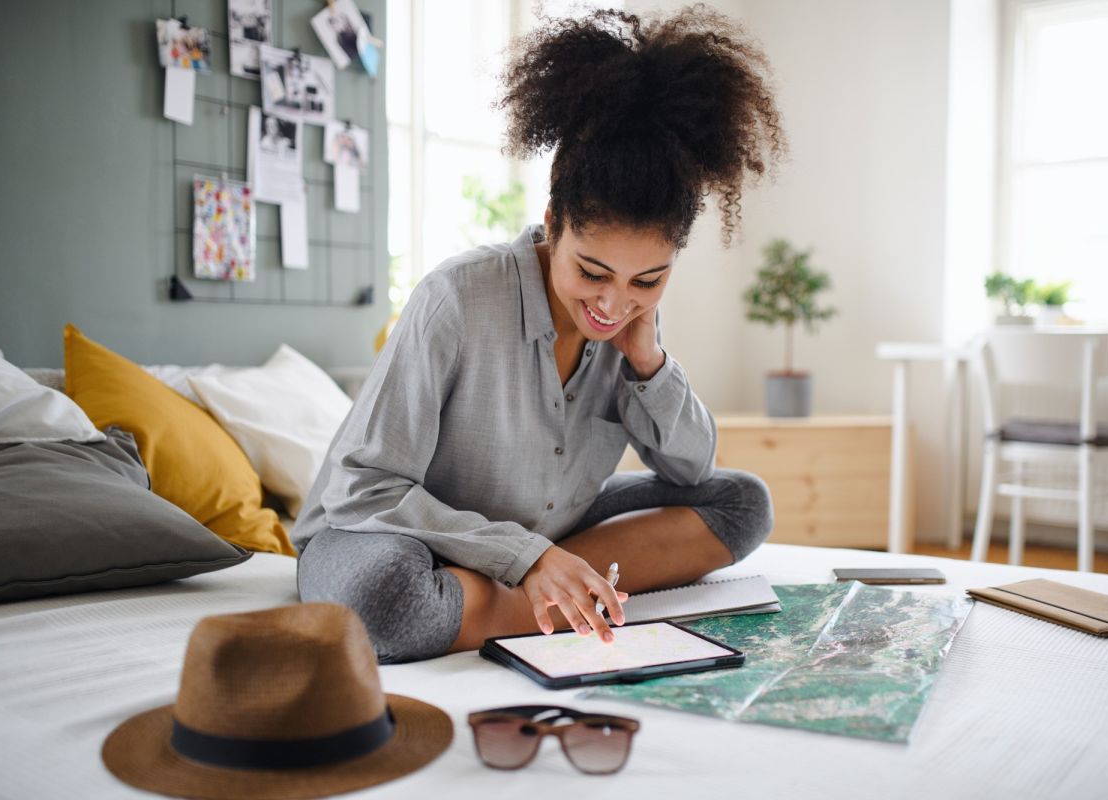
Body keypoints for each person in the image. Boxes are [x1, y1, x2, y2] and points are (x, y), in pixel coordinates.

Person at [294, 7, 786, 663]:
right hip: (392, 532)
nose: (613, 304)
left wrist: (649, 361)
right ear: (554, 220)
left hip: (545, 521)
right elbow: (365, 490)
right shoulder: (457, 298)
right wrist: (528, 556)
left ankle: (505, 594)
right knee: (385, 598)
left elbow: (691, 470)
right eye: (592, 271)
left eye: (649, 279)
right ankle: (539, 593)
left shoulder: (629, 322)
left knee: (743, 503)